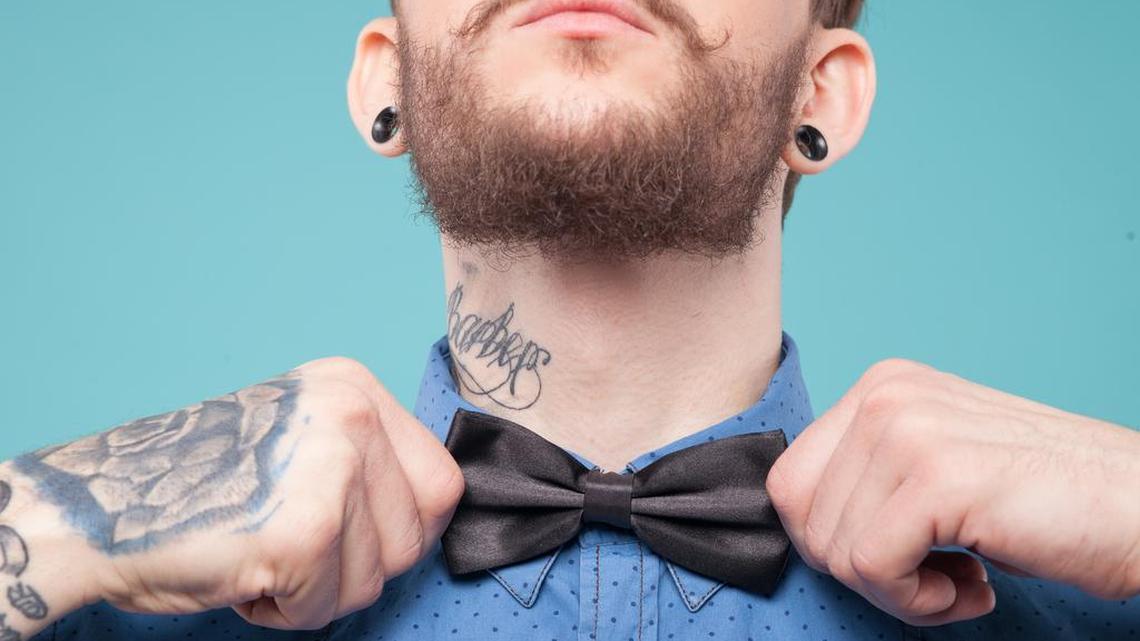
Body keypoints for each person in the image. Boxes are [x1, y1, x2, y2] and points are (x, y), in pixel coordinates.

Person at [0, 0, 1137, 639]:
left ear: (821, 95)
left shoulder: (1097, 595)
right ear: (384, 78)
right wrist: (55, 516)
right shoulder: (95, 594)